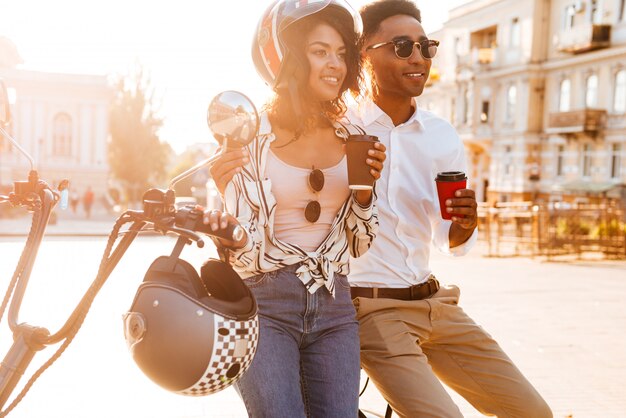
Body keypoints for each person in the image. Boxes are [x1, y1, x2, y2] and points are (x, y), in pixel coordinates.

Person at [346, 1, 553, 417]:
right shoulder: (341, 127)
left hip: (436, 303)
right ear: (364, 52)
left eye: (426, 46)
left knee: (534, 413)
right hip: (371, 310)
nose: (419, 57)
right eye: (402, 46)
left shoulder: (442, 136)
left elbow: (450, 241)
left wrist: (465, 222)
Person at [203, 1, 386, 416]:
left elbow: (360, 245)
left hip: (334, 304)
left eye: (341, 54)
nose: (335, 65)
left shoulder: (353, 136)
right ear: (285, 57)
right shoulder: (250, 138)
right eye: (320, 51)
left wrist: (364, 193)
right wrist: (228, 201)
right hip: (265, 305)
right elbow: (245, 253)